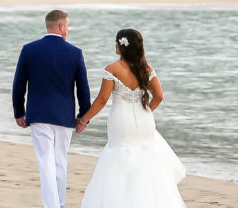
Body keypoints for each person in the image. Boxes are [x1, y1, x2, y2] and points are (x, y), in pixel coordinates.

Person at [75, 27, 187, 208]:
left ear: (121, 46)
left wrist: (83, 119)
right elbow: (159, 96)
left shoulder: (112, 69)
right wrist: (147, 112)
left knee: (118, 160)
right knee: (147, 161)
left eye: (117, 42)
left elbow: (102, 100)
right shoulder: (147, 68)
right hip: (145, 120)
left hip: (121, 121)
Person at [13, 8, 92, 208]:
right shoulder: (75, 53)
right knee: (60, 161)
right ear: (61, 26)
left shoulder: (29, 49)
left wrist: (19, 112)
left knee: (45, 162)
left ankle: (53, 206)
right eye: (67, 25)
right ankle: (60, 204)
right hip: (64, 117)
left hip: (39, 115)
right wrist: (84, 117)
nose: (68, 29)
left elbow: (18, 84)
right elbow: (83, 89)